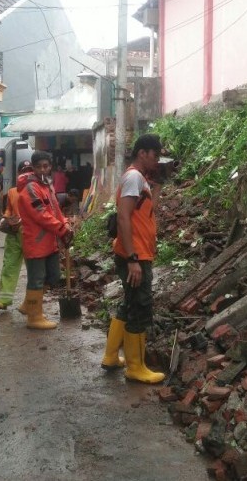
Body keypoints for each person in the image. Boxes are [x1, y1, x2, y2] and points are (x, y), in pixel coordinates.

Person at [100, 134, 166, 384]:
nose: (157, 160)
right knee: (140, 305)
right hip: (135, 254)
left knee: (130, 303)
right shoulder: (133, 178)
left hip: (139, 252)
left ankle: (110, 356)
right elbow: (124, 218)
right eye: (155, 155)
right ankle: (135, 367)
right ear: (142, 153)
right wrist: (132, 259)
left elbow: (148, 213)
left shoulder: (141, 181)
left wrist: (158, 185)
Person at [16, 151, 73, 329]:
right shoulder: (31, 188)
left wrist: (65, 223)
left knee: (53, 277)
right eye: (39, 166)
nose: (43, 169)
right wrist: (61, 228)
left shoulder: (47, 185)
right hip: (36, 241)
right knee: (37, 279)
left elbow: (55, 209)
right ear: (33, 168)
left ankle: (29, 304)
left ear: (50, 167)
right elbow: (41, 214)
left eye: (46, 166)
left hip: (50, 241)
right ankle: (34, 317)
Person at [0, 160, 32, 311]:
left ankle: (30, 302)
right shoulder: (12, 192)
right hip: (14, 233)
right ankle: (4, 300)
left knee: (33, 271)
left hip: (30, 234)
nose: (26, 174)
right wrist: (5, 217)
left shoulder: (37, 190)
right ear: (18, 173)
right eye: (23, 171)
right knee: (9, 265)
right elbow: (9, 209)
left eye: (29, 170)